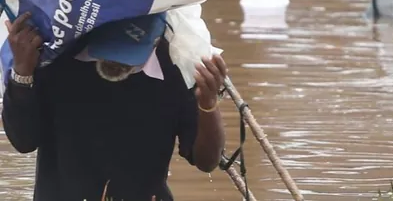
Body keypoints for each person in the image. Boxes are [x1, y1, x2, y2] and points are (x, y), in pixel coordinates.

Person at [1, 11, 228, 201]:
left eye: (131, 50)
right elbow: (24, 141)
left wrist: (208, 104)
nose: (119, 61)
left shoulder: (176, 64)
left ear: (155, 38)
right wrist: (22, 72)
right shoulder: (56, 56)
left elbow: (206, 161)